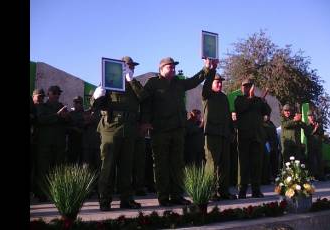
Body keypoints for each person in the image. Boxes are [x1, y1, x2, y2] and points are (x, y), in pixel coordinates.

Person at [141, 57, 216, 206]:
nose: (173, 69)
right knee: (161, 165)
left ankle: (177, 195)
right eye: (170, 67)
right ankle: (163, 197)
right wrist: (145, 122)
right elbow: (145, 103)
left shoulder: (178, 82)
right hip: (160, 130)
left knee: (177, 164)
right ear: (161, 69)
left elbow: (194, 81)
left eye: (174, 67)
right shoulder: (152, 83)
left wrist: (206, 68)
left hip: (177, 130)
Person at [92, 56, 149, 211]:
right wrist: (97, 95)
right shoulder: (109, 81)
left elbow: (144, 97)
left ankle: (127, 199)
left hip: (129, 129)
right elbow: (95, 104)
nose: (131, 69)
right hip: (111, 128)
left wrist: (130, 79)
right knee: (108, 167)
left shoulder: (134, 84)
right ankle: (105, 201)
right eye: (128, 66)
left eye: (132, 67)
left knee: (127, 167)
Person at [202, 71, 237, 200]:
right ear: (211, 83)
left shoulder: (223, 97)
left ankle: (224, 191)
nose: (220, 84)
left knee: (225, 165)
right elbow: (205, 87)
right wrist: (210, 72)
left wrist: (232, 131)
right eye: (217, 82)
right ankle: (209, 192)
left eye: (221, 82)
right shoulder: (207, 95)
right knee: (212, 164)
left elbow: (228, 116)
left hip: (224, 135)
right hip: (212, 134)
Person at [234, 79, 271, 198]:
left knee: (257, 164)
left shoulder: (258, 101)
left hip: (257, 137)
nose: (247, 88)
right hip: (244, 137)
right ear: (242, 88)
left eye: (249, 86)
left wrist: (264, 101)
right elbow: (241, 108)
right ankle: (242, 191)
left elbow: (267, 112)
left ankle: (256, 190)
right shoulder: (239, 99)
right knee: (243, 165)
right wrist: (250, 98)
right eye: (245, 86)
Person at [35, 85, 70, 202]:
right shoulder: (42, 107)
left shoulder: (61, 107)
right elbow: (41, 120)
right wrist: (57, 115)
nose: (57, 95)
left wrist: (66, 117)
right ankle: (42, 194)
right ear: (48, 94)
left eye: (58, 93)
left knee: (58, 170)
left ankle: (57, 193)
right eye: (54, 93)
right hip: (45, 144)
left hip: (59, 144)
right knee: (44, 170)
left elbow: (69, 123)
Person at [304, 110, 326, 181]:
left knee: (320, 160)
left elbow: (322, 133)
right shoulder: (306, 126)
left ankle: (321, 176)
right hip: (311, 146)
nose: (311, 117)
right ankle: (311, 176)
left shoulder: (319, 124)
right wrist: (315, 129)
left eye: (312, 115)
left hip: (318, 145)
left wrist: (318, 128)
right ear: (308, 117)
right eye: (310, 116)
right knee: (311, 161)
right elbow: (308, 135)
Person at [67, 96, 85, 164]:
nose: (77, 104)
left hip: (82, 142)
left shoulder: (85, 114)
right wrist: (73, 128)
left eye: (79, 102)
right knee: (71, 162)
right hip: (72, 142)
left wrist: (80, 129)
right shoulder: (70, 114)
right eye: (76, 102)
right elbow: (66, 127)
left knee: (81, 163)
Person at [263, 114, 281, 180]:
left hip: (273, 145)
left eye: (268, 116)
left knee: (274, 162)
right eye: (265, 116)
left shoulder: (271, 123)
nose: (267, 117)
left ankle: (275, 176)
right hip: (267, 145)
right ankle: (267, 177)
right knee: (267, 162)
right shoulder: (262, 124)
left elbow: (275, 134)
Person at [229, 112, 239, 187]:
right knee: (231, 165)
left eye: (235, 115)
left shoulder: (238, 123)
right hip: (231, 147)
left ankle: (235, 181)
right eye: (233, 116)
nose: (234, 117)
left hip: (237, 147)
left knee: (236, 165)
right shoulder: (230, 124)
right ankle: (231, 181)